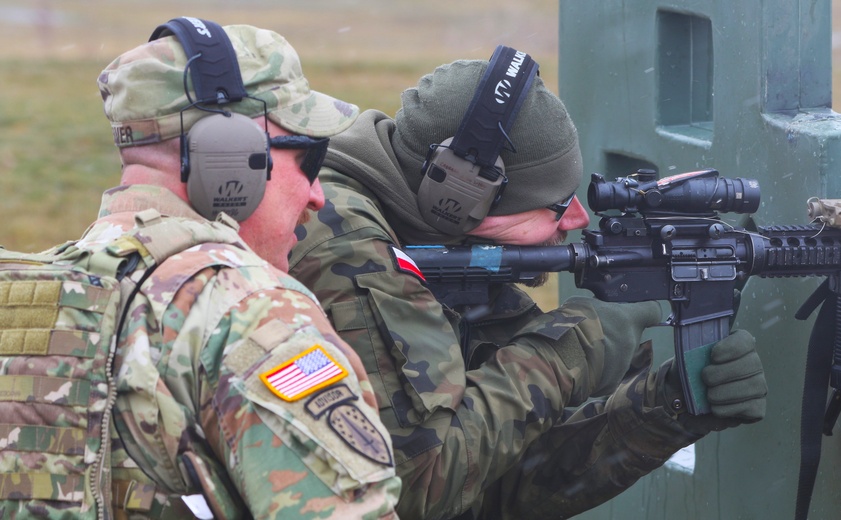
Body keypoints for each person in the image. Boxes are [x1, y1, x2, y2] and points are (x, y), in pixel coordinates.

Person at [289, 48, 767, 520]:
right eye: (556, 205)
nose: (577, 219)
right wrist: (572, 348)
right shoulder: (346, 248)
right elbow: (418, 490)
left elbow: (493, 482)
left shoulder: (437, 245)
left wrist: (666, 404)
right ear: (456, 197)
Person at [0, 18, 401, 519]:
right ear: (230, 159)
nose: (316, 196)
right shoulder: (251, 311)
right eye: (309, 158)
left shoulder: (21, 300)